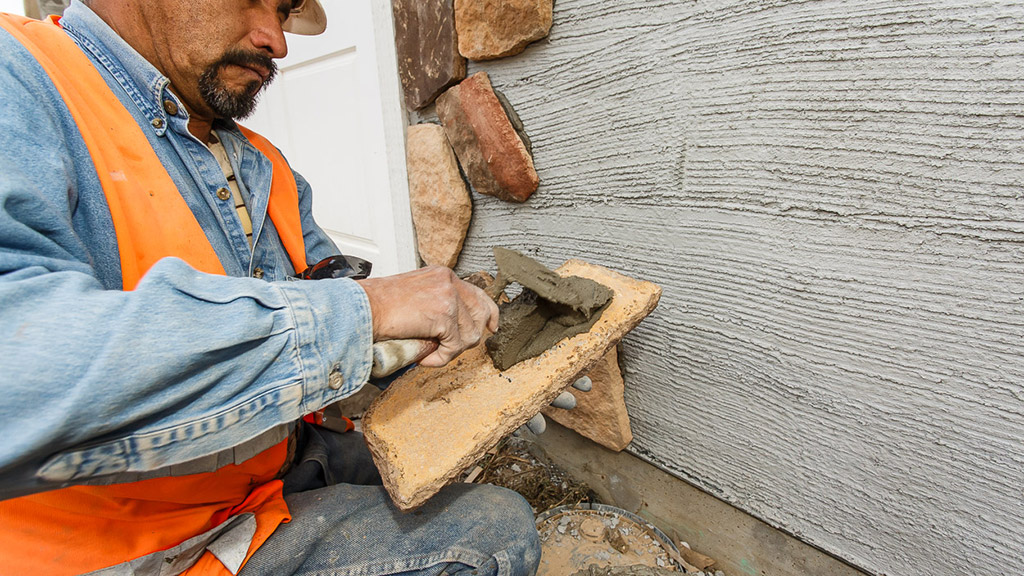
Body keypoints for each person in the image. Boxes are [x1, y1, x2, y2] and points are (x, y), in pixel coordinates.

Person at [0, 0, 542, 574]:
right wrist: (367, 310)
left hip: (267, 462)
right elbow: (21, 370)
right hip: (138, 541)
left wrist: (487, 368)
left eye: (282, 13)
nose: (277, 42)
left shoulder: (262, 163)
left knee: (433, 457)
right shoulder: (22, 75)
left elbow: (330, 301)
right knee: (493, 535)